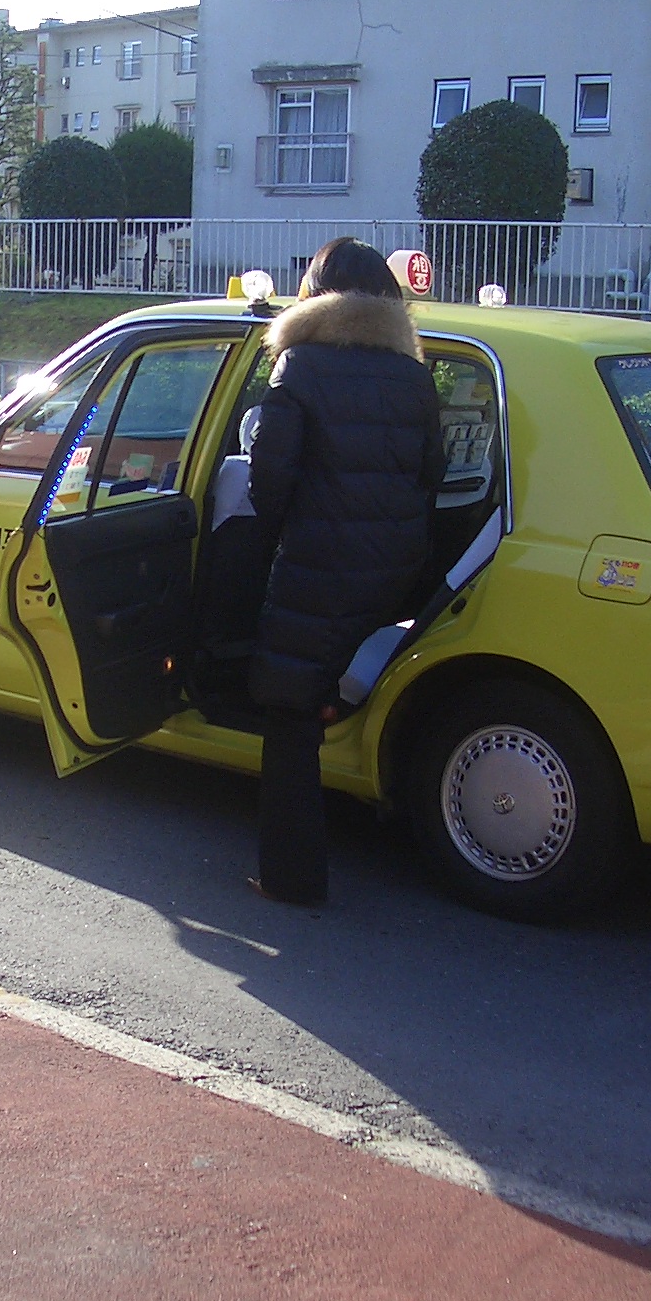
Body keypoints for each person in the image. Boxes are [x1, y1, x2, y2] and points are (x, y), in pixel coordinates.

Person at [246, 238, 442, 904]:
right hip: (394, 567)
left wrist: (272, 539)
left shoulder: (299, 365)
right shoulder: (415, 374)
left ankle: (291, 878)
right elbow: (430, 475)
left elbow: (269, 479)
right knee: (338, 685)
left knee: (289, 711)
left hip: (318, 567)